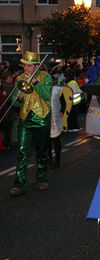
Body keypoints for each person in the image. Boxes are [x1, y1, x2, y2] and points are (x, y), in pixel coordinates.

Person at [9, 51, 53, 196]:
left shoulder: (45, 77)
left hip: (41, 118)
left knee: (42, 151)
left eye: (29, 66)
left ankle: (41, 178)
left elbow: (47, 96)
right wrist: (19, 97)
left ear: (36, 66)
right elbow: (14, 102)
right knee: (22, 151)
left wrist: (36, 84)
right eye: (25, 66)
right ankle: (19, 183)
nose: (26, 69)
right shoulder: (20, 78)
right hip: (25, 118)